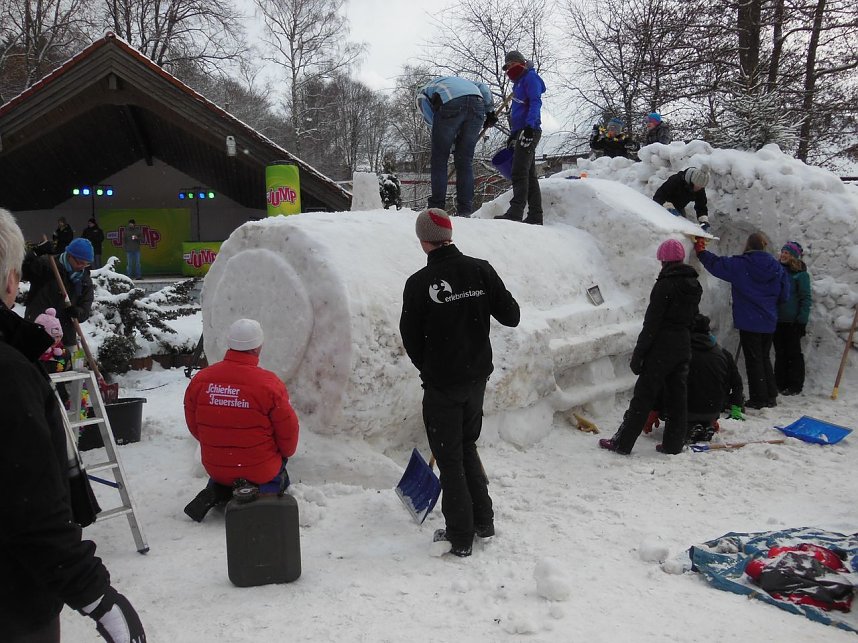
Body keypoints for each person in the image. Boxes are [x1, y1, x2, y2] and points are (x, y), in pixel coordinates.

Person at [0, 208, 146, 643]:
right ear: (11, 281)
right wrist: (94, 595)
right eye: (78, 261)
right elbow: (28, 502)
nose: (81, 266)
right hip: (12, 605)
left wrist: (74, 308)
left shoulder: (81, 280)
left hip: (59, 336)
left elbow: (83, 306)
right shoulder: (9, 374)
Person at [400, 208, 520, 556]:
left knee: (449, 458)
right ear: (449, 235)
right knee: (466, 447)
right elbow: (511, 315)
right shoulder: (480, 270)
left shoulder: (419, 284)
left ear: (423, 241)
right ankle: (483, 521)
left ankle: (460, 535)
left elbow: (410, 337)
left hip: (442, 386)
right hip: (476, 380)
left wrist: (429, 368)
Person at [183, 318, 300, 522]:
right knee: (279, 472)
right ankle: (263, 493)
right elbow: (288, 434)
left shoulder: (201, 380)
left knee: (226, 473)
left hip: (216, 466)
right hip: (260, 469)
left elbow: (195, 427)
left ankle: (219, 489)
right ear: (258, 347)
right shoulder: (269, 384)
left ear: (229, 343)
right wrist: (281, 454)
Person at [599, 239, 702, 455]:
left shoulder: (665, 285)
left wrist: (639, 354)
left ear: (663, 261)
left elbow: (652, 324)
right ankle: (673, 444)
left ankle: (622, 443)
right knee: (677, 398)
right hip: (683, 345)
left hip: (661, 347)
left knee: (643, 397)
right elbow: (693, 318)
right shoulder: (694, 285)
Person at [695, 232, 791, 409]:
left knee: (754, 359)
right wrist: (768, 302)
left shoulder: (741, 264)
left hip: (749, 319)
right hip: (768, 319)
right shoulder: (776, 267)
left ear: (748, 245)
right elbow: (784, 295)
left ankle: (759, 398)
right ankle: (770, 394)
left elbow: (717, 265)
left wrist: (701, 252)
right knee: (764, 357)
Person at [645, 313, 745, 442]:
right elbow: (736, 383)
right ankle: (706, 424)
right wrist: (735, 407)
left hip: (683, 409)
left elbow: (663, 384)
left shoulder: (680, 353)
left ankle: (688, 427)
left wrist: (654, 410)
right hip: (713, 410)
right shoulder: (722, 353)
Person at [416, 76, 496, 217]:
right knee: (464, 161)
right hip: (477, 104)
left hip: (450, 102)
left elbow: (432, 122)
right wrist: (490, 111)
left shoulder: (421, 93)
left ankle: (437, 208)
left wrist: (449, 143)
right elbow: (483, 88)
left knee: (439, 159)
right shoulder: (460, 82)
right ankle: (465, 210)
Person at [494, 50, 546, 225]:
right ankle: (535, 215)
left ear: (521, 62)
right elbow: (518, 111)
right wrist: (514, 134)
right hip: (520, 130)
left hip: (530, 129)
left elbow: (535, 102)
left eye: (511, 65)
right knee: (529, 174)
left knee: (519, 171)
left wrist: (529, 127)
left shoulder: (531, 78)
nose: (509, 69)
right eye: (507, 66)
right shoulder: (517, 84)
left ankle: (516, 211)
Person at [22, 236, 94, 350]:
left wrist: (77, 312)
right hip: (38, 331)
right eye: (80, 262)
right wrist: (35, 252)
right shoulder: (47, 265)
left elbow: (85, 309)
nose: (82, 267)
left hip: (65, 338)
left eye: (86, 264)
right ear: (69, 255)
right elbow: (21, 270)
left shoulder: (84, 281)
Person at [774, 241, 811, 395]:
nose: (783, 255)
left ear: (794, 256)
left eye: (787, 253)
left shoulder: (800, 275)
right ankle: (780, 383)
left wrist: (801, 321)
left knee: (793, 353)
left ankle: (795, 385)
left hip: (793, 322)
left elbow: (805, 298)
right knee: (780, 353)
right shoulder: (776, 271)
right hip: (776, 320)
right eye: (782, 252)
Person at [653, 166, 712, 232]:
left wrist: (703, 220)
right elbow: (658, 197)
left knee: (683, 227)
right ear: (692, 182)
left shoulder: (699, 189)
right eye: (697, 186)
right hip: (663, 205)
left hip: (679, 208)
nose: (699, 189)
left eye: (701, 187)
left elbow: (701, 206)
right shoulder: (675, 180)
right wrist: (667, 206)